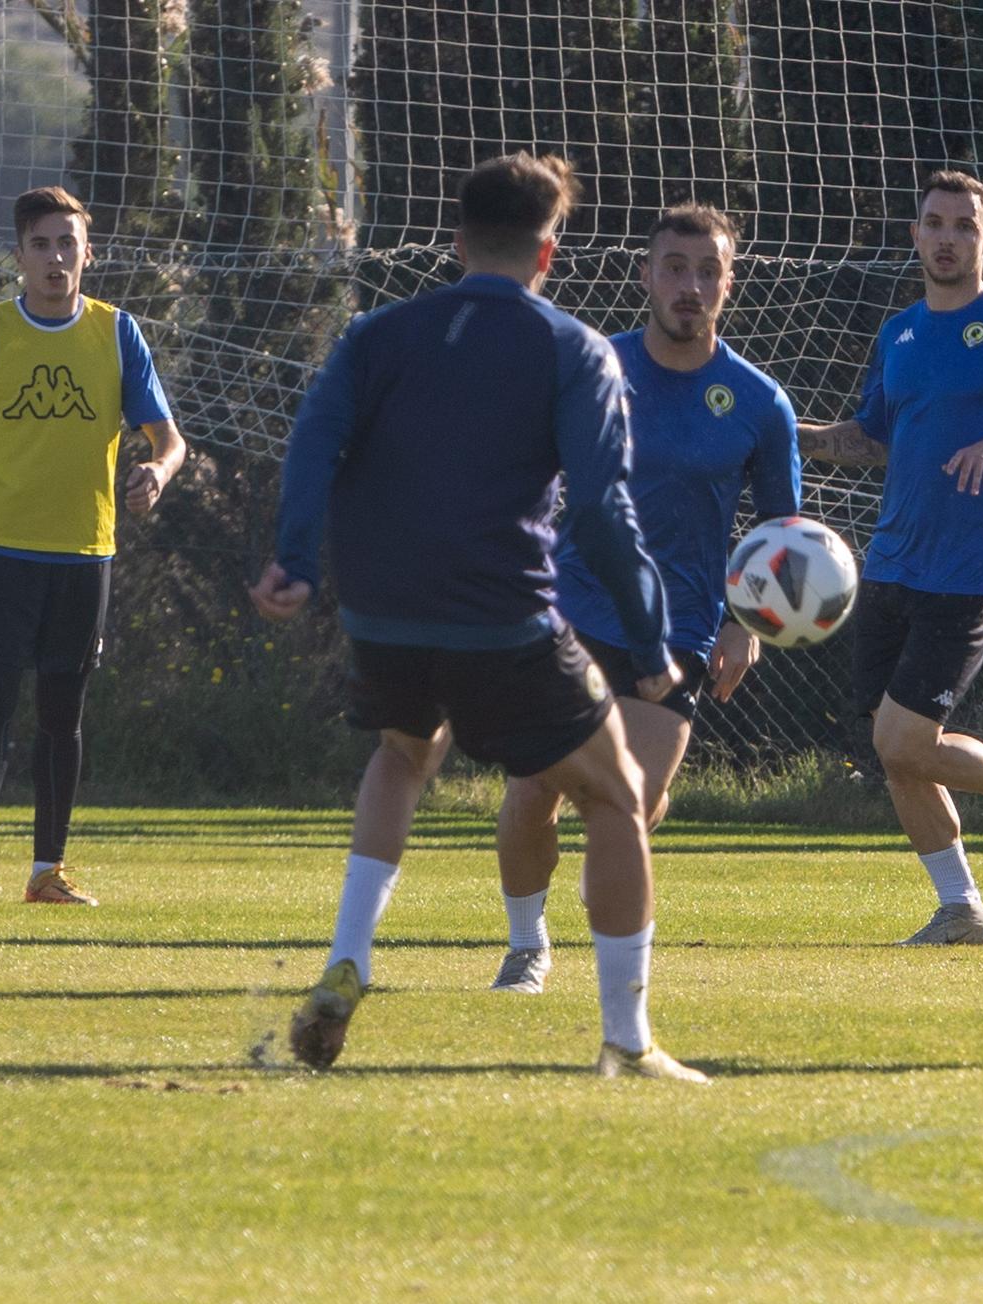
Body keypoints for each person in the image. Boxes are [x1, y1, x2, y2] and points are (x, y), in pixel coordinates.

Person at [251, 152, 706, 1082]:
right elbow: (601, 512)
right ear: (549, 253)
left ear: (456, 243)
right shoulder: (573, 347)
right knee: (618, 795)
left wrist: (295, 560)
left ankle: (351, 957)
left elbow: (312, 443)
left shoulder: (377, 335)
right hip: (505, 621)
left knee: (401, 753)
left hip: (383, 617)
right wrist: (650, 643)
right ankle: (628, 1038)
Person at [488, 203, 802, 994]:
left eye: (707, 271)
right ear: (646, 275)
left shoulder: (761, 403)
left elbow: (781, 534)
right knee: (532, 791)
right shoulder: (592, 367)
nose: (689, 286)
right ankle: (528, 947)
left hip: (680, 631)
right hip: (569, 609)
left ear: (730, 283)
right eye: (674, 267)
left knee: (628, 801)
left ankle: (609, 870)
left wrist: (747, 622)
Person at [799, 169, 983, 947]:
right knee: (898, 754)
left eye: (965, 225)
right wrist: (786, 435)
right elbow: (869, 437)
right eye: (935, 223)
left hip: (967, 570)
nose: (948, 237)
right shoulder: (897, 334)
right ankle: (961, 908)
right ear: (916, 235)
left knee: (901, 739)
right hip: (890, 563)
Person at [0, 185, 188, 908]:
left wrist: (155, 472)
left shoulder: (117, 332)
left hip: (83, 554)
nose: (56, 257)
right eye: (41, 244)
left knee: (62, 716)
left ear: (87, 254)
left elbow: (169, 439)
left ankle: (48, 871)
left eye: (68, 243)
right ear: (19, 257)